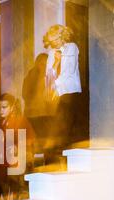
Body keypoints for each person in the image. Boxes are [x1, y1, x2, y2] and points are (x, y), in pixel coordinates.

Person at [0, 93, 36, 199]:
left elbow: (31, 140)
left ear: (12, 107)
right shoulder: (2, 124)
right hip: (2, 170)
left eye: (4, 107)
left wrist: (17, 148)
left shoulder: (21, 121)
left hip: (14, 172)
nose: (1, 110)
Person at [43, 24, 82, 166]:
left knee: (66, 128)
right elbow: (48, 74)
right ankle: (57, 160)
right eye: (51, 40)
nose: (53, 43)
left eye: (55, 39)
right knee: (57, 128)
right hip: (56, 95)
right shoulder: (52, 53)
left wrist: (54, 85)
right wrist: (56, 62)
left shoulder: (72, 47)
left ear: (62, 36)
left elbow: (68, 72)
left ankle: (68, 160)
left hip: (69, 92)